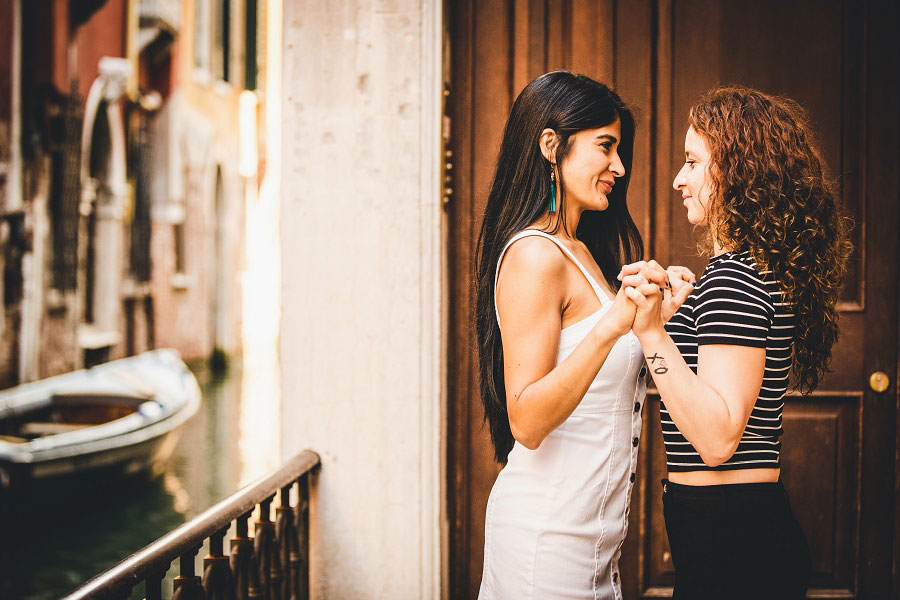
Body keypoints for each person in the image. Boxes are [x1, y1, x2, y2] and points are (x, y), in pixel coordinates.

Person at [621, 86, 852, 599]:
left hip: (730, 540)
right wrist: (680, 318)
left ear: (735, 170)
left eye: (692, 162)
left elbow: (718, 439)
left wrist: (652, 330)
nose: (680, 179)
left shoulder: (734, 275)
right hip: (734, 530)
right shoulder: (748, 271)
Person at [475, 71, 686, 600]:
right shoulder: (533, 255)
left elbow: (604, 384)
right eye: (605, 146)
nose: (619, 166)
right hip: (544, 545)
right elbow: (525, 419)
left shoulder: (583, 251)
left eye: (619, 149)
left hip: (595, 548)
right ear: (552, 145)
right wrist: (615, 323)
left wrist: (657, 321)